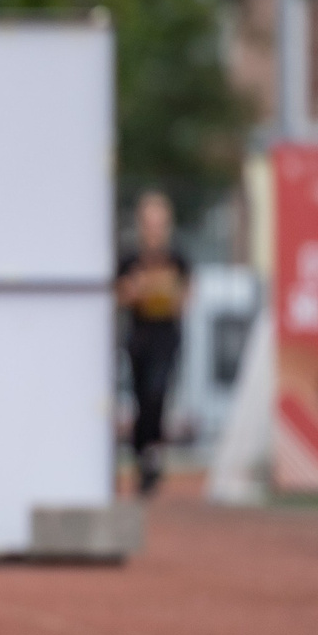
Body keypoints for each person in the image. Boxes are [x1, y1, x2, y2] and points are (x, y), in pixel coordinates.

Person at [117, 190, 190, 497]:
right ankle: (141, 457)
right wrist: (140, 290)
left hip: (166, 337)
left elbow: (185, 297)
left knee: (157, 393)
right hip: (139, 336)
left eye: (159, 222)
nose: (154, 229)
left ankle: (153, 456)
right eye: (149, 222)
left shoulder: (178, 259)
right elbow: (121, 295)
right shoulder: (129, 259)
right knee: (140, 397)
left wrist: (162, 293)